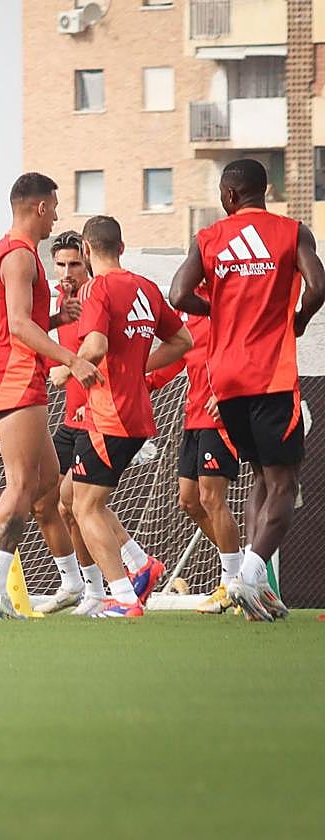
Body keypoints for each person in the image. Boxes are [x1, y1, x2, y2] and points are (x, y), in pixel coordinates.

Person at [170, 158, 325, 621]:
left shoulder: (210, 238)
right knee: (285, 482)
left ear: (230, 196)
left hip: (226, 383)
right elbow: (318, 285)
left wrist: (219, 308)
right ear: (266, 190)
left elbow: (178, 294)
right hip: (271, 377)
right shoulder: (292, 232)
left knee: (260, 475)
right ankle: (250, 575)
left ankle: (254, 590)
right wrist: (296, 318)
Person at [0, 172, 101, 619]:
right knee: (22, 483)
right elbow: (17, 326)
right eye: (54, 206)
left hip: (15, 372)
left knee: (45, 482)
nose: (57, 215)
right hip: (13, 376)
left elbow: (16, 319)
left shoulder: (15, 253)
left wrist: (56, 318)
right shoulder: (19, 256)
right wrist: (72, 359)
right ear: (39, 207)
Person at [67, 215, 190, 618]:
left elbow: (97, 344)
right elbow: (182, 341)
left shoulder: (97, 289)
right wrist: (141, 370)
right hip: (135, 413)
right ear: (121, 247)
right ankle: (139, 564)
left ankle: (120, 596)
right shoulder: (146, 287)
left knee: (84, 508)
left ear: (86, 250)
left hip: (109, 413)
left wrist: (67, 365)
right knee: (75, 498)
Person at [145, 298, 244, 615]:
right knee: (188, 500)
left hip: (223, 418)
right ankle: (244, 575)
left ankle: (231, 584)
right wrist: (143, 380)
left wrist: (231, 392)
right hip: (194, 416)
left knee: (212, 498)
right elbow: (177, 355)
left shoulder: (230, 304)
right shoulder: (185, 310)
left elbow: (250, 353)